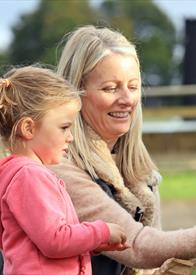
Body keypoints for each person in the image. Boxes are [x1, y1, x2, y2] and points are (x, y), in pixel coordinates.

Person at [50, 25, 196, 275]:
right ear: (76, 94)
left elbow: (146, 255)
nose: (127, 99)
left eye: (133, 86)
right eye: (110, 88)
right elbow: (137, 245)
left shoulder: (139, 172)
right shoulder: (60, 169)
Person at [0, 66, 131, 275]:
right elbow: (55, 240)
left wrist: (90, 244)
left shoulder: (13, 176)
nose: (70, 137)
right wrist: (101, 232)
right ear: (29, 128)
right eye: (64, 127)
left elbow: (33, 241)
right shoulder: (30, 176)